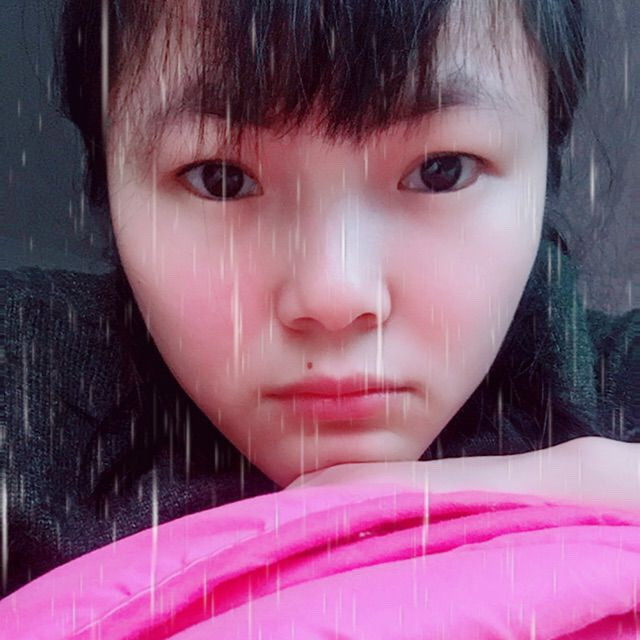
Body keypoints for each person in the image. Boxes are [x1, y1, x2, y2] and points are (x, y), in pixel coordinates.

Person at [2, 0, 637, 598]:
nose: (335, 296)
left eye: (440, 169)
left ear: (544, 172)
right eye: (221, 179)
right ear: (108, 185)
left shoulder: (623, 389)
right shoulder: (23, 390)